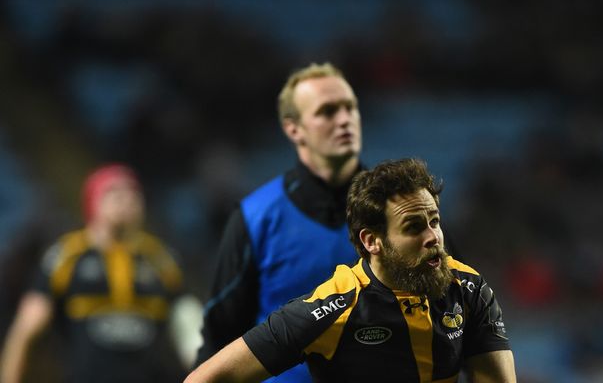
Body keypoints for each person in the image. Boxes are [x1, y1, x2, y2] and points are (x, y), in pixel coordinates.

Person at [186, 158, 517, 383]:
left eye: (434, 221)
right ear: (372, 241)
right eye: (414, 226)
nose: (433, 237)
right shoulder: (330, 310)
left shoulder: (470, 289)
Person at [195, 62, 363, 382]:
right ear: (293, 128)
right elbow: (220, 338)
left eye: (350, 107)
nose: (345, 120)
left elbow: (454, 316)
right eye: (327, 111)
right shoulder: (256, 216)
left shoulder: (403, 212)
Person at [1, 164, 187, 383]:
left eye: (133, 192)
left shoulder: (161, 259)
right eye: (114, 192)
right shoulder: (65, 256)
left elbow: (188, 330)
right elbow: (25, 331)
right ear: (93, 200)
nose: (126, 199)